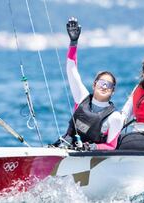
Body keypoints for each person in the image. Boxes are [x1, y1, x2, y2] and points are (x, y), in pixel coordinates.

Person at [56, 17, 123, 151]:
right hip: (66, 148)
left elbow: (111, 146)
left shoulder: (115, 117)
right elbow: (71, 69)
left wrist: (94, 147)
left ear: (113, 91)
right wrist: (73, 42)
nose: (104, 86)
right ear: (94, 85)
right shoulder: (82, 98)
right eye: (102, 82)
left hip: (91, 158)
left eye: (109, 85)